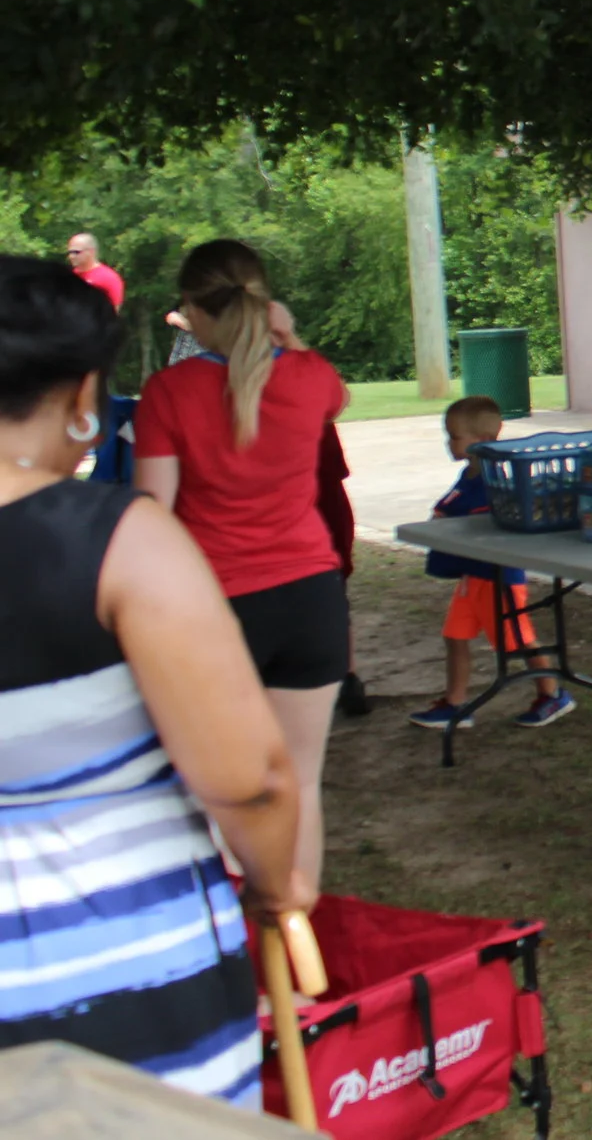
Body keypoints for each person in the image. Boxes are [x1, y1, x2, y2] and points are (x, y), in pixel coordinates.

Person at [0, 256, 310, 1107]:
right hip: (121, 977)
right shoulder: (117, 541)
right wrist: (279, 884)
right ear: (80, 392)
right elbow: (247, 778)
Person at [132, 239, 349, 894]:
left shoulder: (168, 391)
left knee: (215, 790)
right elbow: (332, 395)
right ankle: (297, 944)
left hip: (217, 608)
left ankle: (234, 951)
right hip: (311, 600)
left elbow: (152, 516)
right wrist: (287, 333)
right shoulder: (311, 376)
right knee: (299, 782)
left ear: (196, 310)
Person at [408, 396, 572, 731]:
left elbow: (479, 521)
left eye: (455, 436)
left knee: (518, 639)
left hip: (496, 576)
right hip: (472, 575)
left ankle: (552, 693)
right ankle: (455, 704)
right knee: (455, 636)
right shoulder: (468, 475)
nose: (448, 443)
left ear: (482, 440)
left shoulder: (494, 482)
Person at [66, 231, 124, 308]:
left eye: (76, 252)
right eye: (70, 252)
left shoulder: (108, 278)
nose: (71, 256)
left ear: (91, 252)